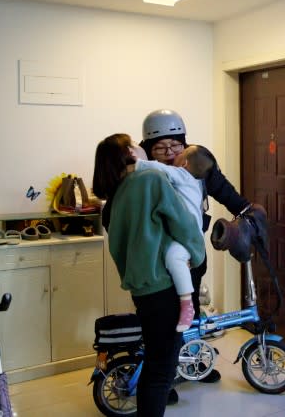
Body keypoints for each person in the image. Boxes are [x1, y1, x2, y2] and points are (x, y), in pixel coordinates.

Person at [92, 133, 205, 415]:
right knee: (161, 373)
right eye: (132, 145)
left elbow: (118, 248)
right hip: (165, 290)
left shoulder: (116, 195)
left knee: (154, 365)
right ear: (127, 155)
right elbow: (184, 224)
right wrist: (197, 254)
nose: (139, 149)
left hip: (142, 291)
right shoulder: (151, 180)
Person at [140, 109, 252, 384]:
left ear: (184, 144)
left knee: (191, 310)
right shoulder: (146, 173)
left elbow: (223, 190)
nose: (168, 152)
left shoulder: (194, 163)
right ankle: (164, 378)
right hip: (158, 258)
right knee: (164, 318)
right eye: (160, 147)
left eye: (174, 145)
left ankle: (192, 364)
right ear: (148, 149)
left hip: (191, 251)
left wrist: (247, 210)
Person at [134, 144, 216, 332]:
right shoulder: (194, 182)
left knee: (173, 258)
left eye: (179, 152)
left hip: (187, 237)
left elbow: (159, 168)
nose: (173, 154)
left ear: (184, 163)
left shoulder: (182, 175)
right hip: (184, 235)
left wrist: (136, 163)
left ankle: (187, 305)